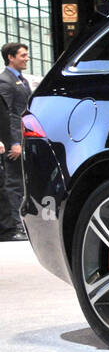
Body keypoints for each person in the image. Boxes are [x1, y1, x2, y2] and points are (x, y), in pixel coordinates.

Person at [0, 42, 31, 241]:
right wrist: (13, 142)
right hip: (14, 141)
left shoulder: (21, 80)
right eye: (22, 55)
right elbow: (7, 114)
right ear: (10, 57)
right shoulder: (5, 81)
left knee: (21, 182)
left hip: (23, 138)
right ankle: (14, 226)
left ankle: (20, 224)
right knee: (13, 183)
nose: (27, 58)